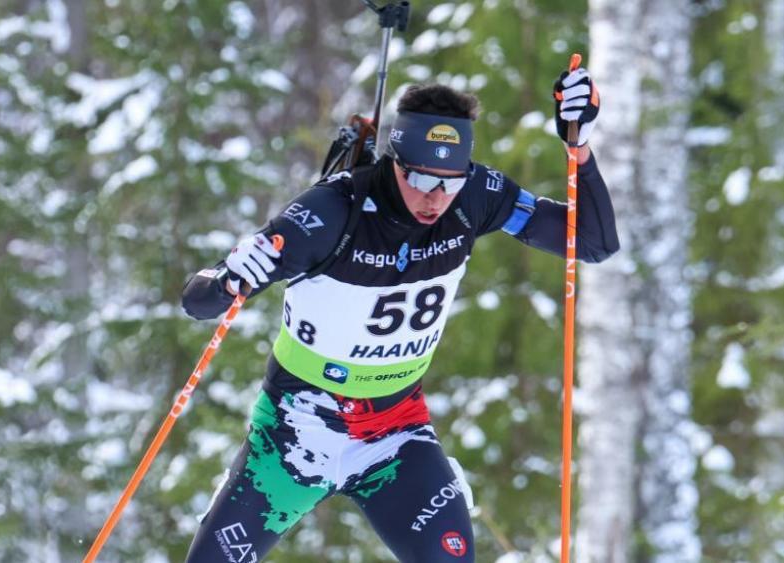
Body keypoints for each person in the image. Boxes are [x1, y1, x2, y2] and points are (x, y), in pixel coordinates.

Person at [180, 67, 619, 562]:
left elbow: (594, 241)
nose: (434, 197)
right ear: (394, 160)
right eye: (421, 177)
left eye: (449, 181)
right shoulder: (330, 213)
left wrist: (577, 147)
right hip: (294, 434)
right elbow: (198, 301)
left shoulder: (475, 195)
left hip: (394, 435)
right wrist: (228, 279)